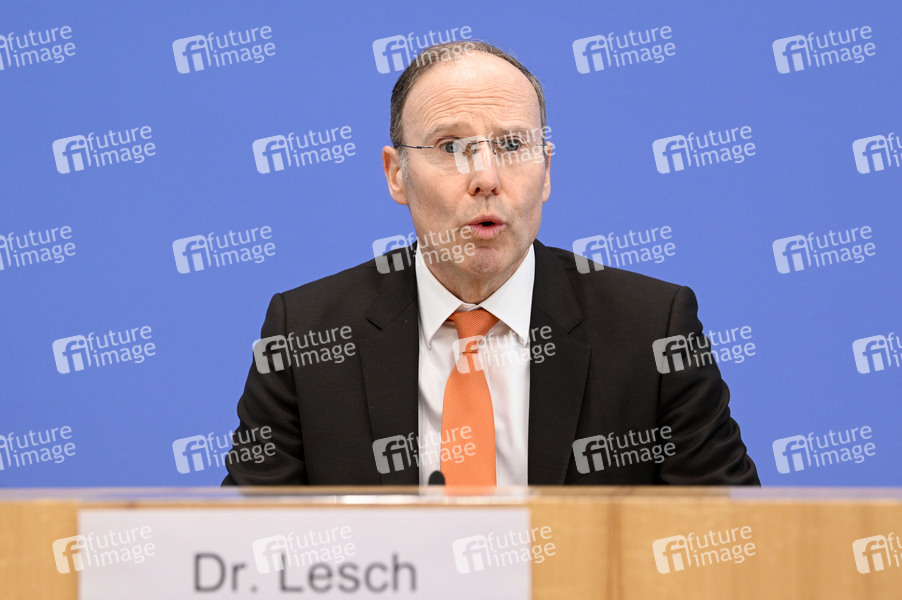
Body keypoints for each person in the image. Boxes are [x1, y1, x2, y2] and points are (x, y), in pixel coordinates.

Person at [222, 41, 759, 487]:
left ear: (546, 171)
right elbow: (248, 543)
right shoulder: (306, 333)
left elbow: (736, 540)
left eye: (512, 144)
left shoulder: (653, 328)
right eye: (451, 147)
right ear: (396, 174)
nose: (486, 178)